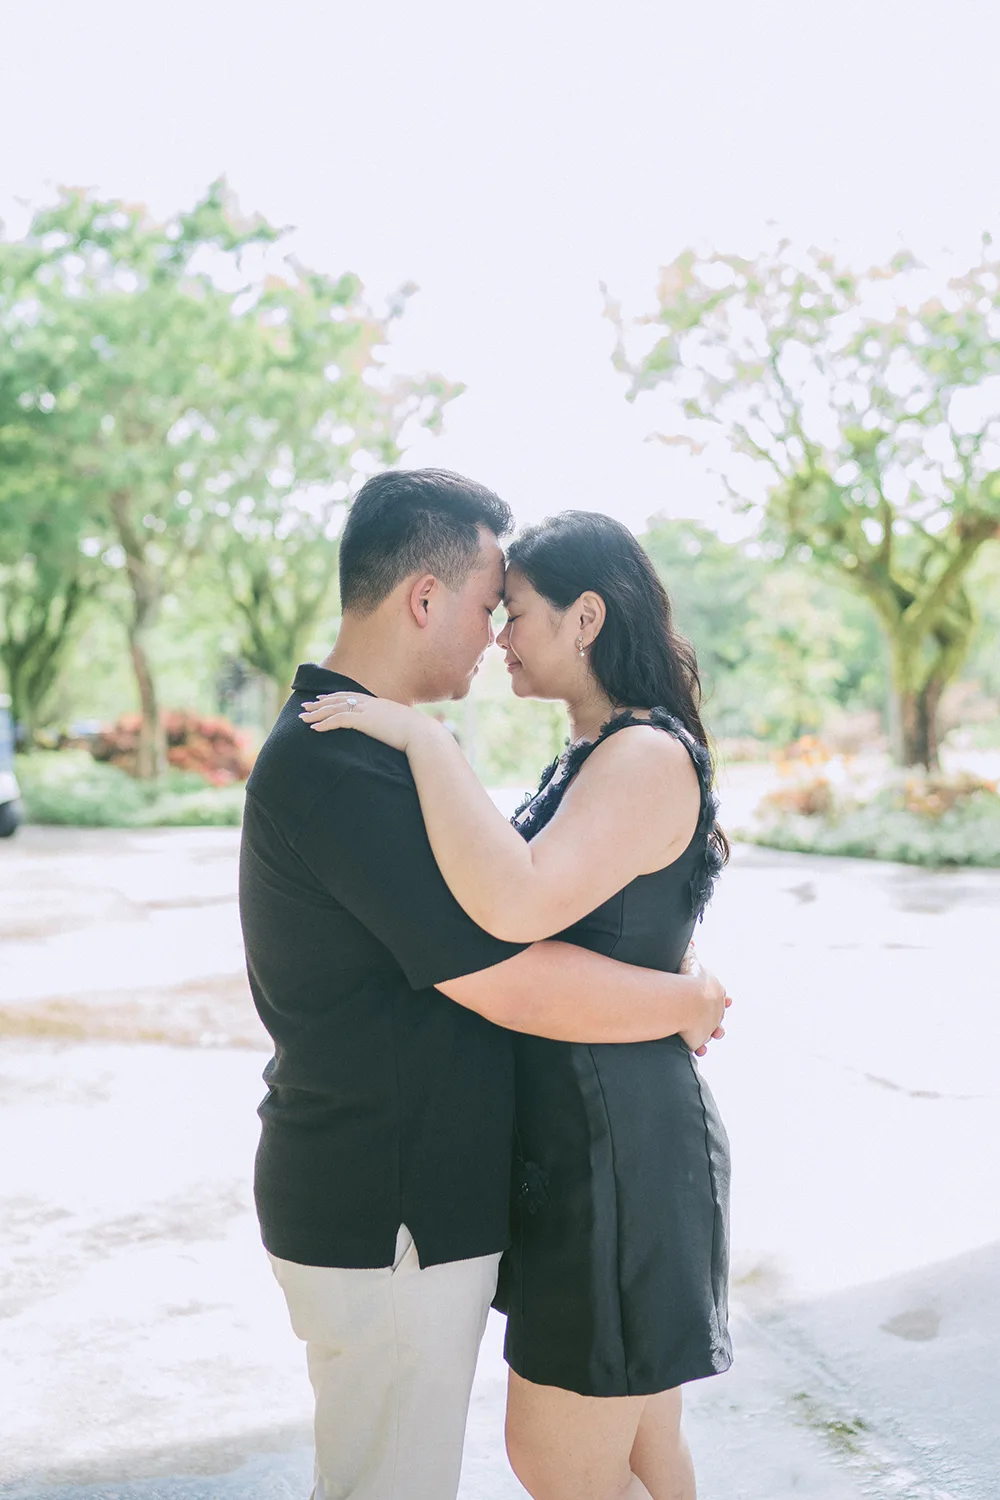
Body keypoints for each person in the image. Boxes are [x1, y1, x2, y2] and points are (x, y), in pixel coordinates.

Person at [239, 470, 729, 1500]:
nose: (494, 635)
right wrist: (678, 1001)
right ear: (425, 599)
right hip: (394, 1200)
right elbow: (500, 973)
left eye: (513, 615)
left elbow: (518, 923)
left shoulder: (385, 747)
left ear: (587, 619)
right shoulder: (343, 758)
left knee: (602, 1456)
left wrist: (428, 743)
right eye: (484, 608)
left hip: (573, 1156)